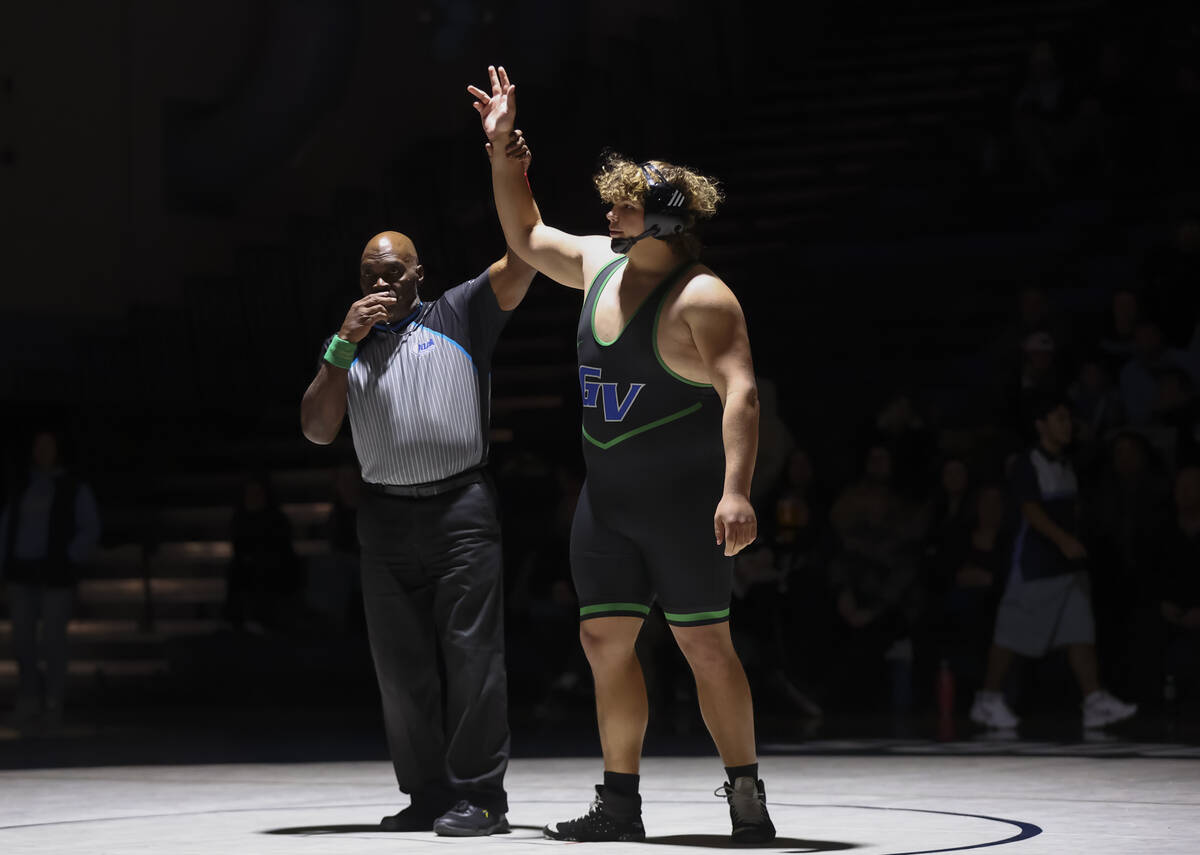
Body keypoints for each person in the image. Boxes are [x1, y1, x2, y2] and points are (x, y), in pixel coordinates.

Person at [469, 65, 773, 843]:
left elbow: (740, 393)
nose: (608, 210)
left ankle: (745, 796)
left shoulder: (703, 296)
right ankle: (620, 802)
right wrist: (507, 154)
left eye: (624, 203)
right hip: (606, 506)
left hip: (682, 505)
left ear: (664, 224)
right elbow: (527, 236)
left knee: (705, 645)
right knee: (603, 640)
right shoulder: (600, 266)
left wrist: (736, 490)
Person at [299, 192, 536, 836]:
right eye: (370, 276)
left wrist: (509, 172)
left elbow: (525, 257)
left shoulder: (460, 312)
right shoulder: (348, 345)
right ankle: (427, 793)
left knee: (471, 660)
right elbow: (318, 431)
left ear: (418, 274)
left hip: (461, 509)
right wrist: (341, 344)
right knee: (400, 671)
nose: (381, 284)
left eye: (393, 273)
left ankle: (483, 796)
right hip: (384, 520)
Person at [969, 394, 1137, 731]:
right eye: (1060, 419)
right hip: (1035, 567)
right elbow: (1031, 510)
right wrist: (1064, 540)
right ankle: (987, 699)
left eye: (1068, 419)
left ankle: (1094, 701)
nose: (1068, 425)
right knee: (1011, 636)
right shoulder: (1027, 462)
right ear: (1041, 425)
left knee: (1080, 632)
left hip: (1068, 570)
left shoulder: (1066, 463)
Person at [0, 428, 100, 732]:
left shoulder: (73, 487)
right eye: (38, 445)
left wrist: (70, 557)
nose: (43, 451)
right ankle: (29, 698)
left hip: (55, 576)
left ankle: (53, 701)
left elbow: (90, 527)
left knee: (53, 641)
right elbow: (6, 528)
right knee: (23, 641)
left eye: (49, 445)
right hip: (22, 574)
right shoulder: (21, 487)